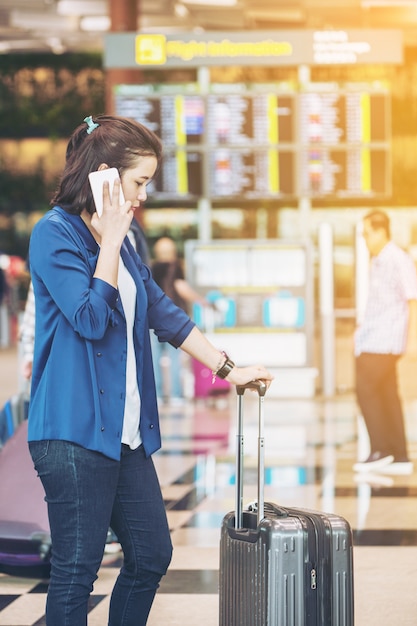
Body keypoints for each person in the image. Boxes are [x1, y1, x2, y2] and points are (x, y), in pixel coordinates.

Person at [27, 113, 273, 626]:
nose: (142, 195)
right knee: (78, 569)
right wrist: (110, 240)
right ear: (104, 176)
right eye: (138, 182)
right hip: (73, 434)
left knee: (151, 554)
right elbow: (91, 320)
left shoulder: (130, 240)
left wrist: (232, 370)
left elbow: (163, 313)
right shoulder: (55, 235)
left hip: (126, 436)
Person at [353, 210, 417, 475]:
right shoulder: (378, 260)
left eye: (367, 233)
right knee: (388, 394)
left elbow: (412, 298)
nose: (365, 239)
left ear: (381, 231)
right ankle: (399, 455)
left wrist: (413, 341)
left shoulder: (397, 259)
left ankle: (381, 450)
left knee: (366, 390)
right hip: (372, 339)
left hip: (384, 342)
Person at [151, 236, 209, 402]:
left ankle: (158, 395)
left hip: (153, 318)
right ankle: (176, 395)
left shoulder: (152, 267)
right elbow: (180, 287)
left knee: (154, 359)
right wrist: (201, 300)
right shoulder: (175, 267)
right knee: (174, 357)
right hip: (172, 317)